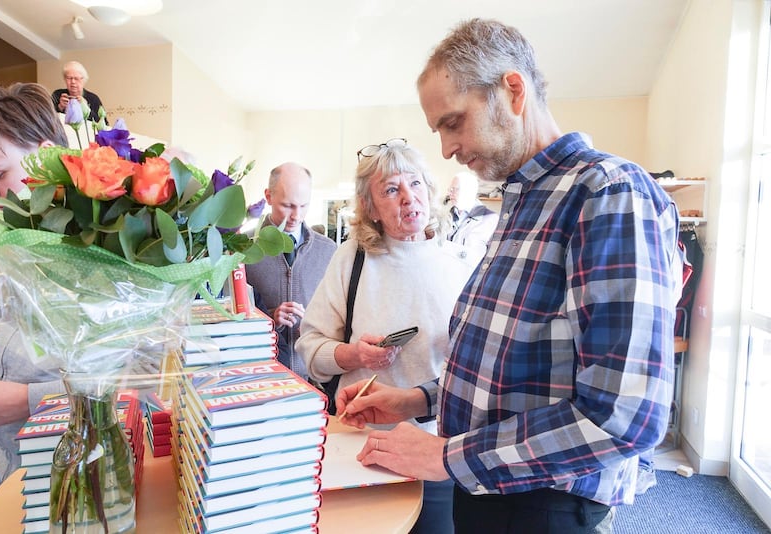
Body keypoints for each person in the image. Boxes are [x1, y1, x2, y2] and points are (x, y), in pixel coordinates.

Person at [336, 19, 681, 534]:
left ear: (512, 91)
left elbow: (624, 416)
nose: (448, 149)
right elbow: (513, 369)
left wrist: (444, 458)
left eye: (454, 122)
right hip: (492, 489)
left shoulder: (607, 192)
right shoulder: (523, 201)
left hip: (543, 504)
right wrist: (418, 399)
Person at [296, 138, 476, 534]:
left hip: (434, 447)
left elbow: (472, 372)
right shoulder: (352, 259)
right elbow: (309, 347)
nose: (408, 198)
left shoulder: (461, 267)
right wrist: (353, 356)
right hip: (358, 445)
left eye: (415, 184)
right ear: (371, 208)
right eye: (391, 190)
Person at [0, 83, 68, 492]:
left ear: (46, 157)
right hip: (11, 467)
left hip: (70, 471)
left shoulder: (105, 250)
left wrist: (28, 400)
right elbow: (21, 327)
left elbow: (145, 377)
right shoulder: (24, 239)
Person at [244, 162, 337, 380]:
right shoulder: (242, 247)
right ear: (268, 196)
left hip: (314, 377)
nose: (296, 215)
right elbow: (231, 315)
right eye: (287, 205)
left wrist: (314, 325)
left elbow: (338, 318)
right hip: (259, 375)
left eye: (304, 206)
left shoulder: (329, 251)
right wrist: (269, 319)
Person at [446, 170, 498, 263]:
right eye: (450, 190)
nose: (450, 194)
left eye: (455, 189)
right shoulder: (447, 216)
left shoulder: (491, 219)